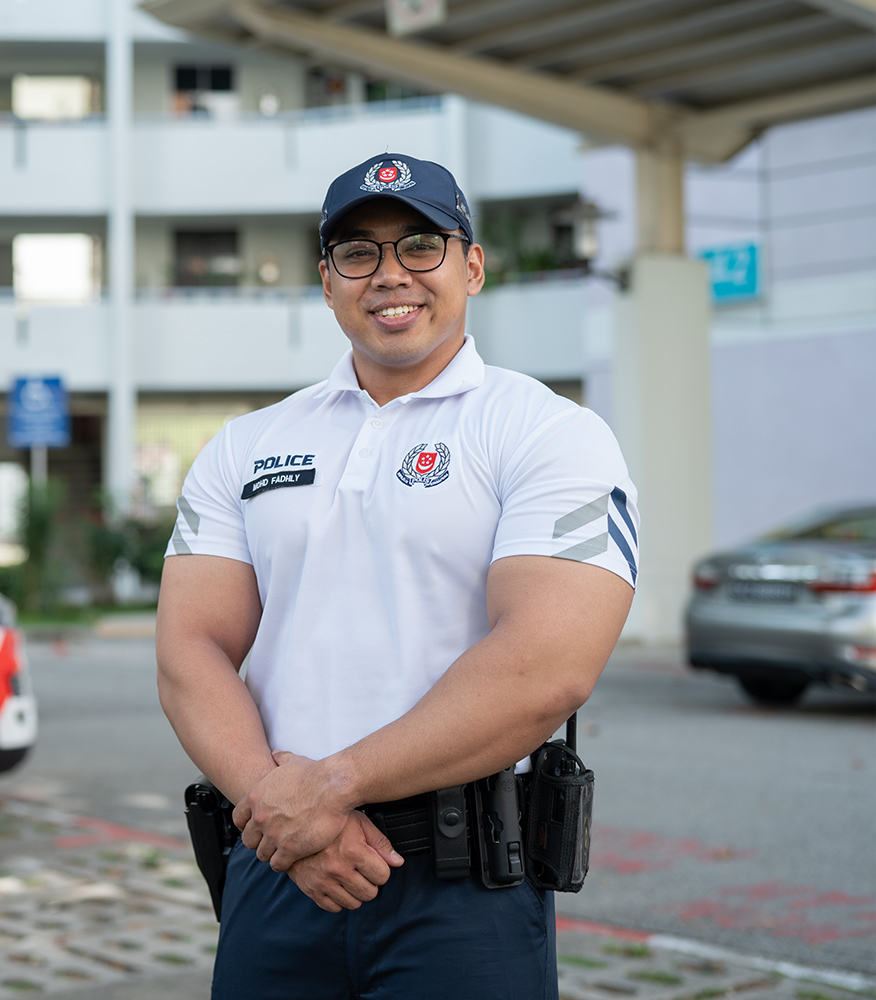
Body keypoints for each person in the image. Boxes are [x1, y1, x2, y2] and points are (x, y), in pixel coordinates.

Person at [156, 153, 639, 999]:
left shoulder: (549, 434)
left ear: (472, 266)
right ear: (328, 280)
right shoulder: (248, 444)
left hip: (464, 884)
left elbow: (546, 666)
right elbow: (189, 651)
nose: (390, 275)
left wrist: (329, 788)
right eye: (359, 253)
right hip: (276, 864)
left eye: (420, 246)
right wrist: (284, 809)